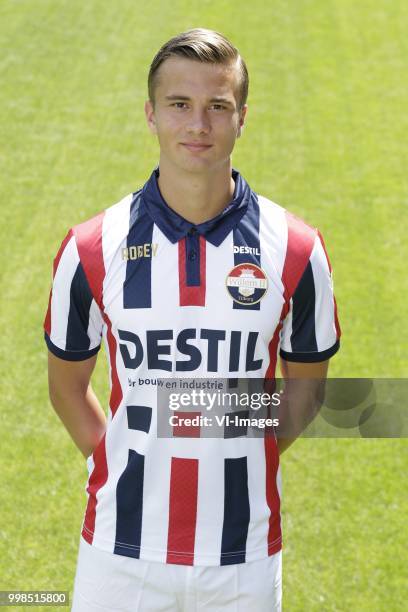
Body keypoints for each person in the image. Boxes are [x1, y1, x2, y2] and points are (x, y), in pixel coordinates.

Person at [44, 28, 341, 612]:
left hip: (243, 559)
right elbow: (66, 389)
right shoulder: (90, 248)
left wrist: (235, 449)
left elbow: (306, 395)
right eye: (180, 104)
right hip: (118, 555)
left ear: (242, 117)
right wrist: (121, 459)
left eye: (217, 107)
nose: (198, 125)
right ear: (151, 114)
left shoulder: (299, 250)